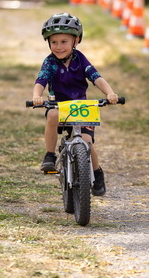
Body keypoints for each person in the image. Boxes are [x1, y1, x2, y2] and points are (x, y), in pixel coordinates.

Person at [32, 13, 119, 196]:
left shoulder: (80, 59)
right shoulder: (50, 62)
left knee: (87, 142)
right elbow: (41, 81)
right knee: (52, 115)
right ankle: (50, 155)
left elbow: (96, 77)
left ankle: (96, 172)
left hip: (81, 107)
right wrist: (36, 96)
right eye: (54, 42)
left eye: (64, 41)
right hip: (59, 106)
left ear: (76, 41)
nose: (58, 46)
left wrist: (110, 93)